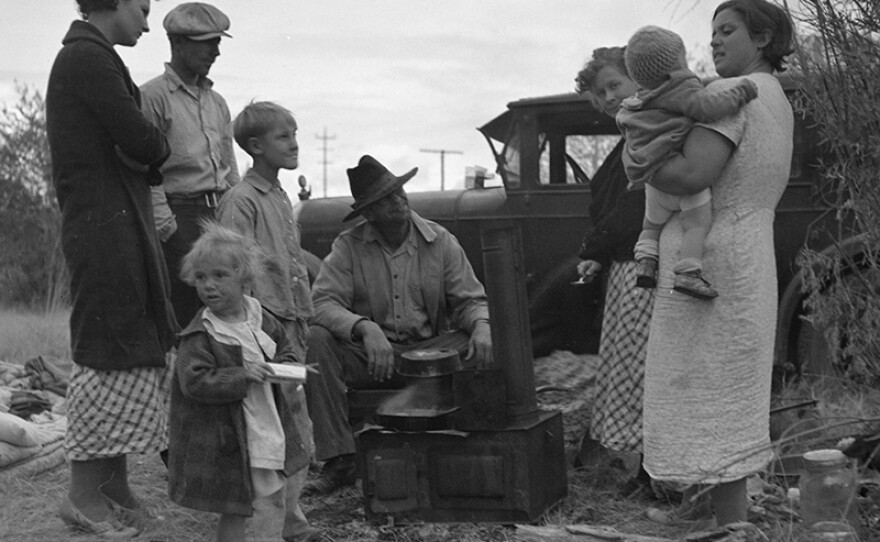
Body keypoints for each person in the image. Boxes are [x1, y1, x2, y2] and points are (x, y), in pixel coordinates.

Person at [641, 0, 796, 526]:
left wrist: (636, 158)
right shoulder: (777, 96)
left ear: (763, 36)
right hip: (747, 252)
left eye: (727, 30)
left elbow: (688, 177)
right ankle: (708, 512)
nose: (715, 42)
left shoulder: (728, 98)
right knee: (721, 389)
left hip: (713, 260)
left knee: (708, 390)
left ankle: (729, 526)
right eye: (712, 33)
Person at [46, 0, 176, 537]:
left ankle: (112, 485)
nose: (148, 23)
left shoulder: (98, 56)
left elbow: (141, 150)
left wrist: (142, 154)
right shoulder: (86, 59)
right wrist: (145, 151)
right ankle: (81, 495)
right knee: (105, 352)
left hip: (116, 223)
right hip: (103, 229)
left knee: (129, 343)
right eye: (142, 9)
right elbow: (148, 142)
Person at [303, 155, 493, 495]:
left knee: (480, 337)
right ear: (369, 212)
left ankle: (473, 445)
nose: (399, 200)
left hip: (429, 358)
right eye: (385, 198)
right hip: (373, 359)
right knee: (317, 340)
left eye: (399, 191)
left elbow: (469, 301)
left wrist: (481, 324)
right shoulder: (348, 246)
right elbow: (320, 303)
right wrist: (365, 328)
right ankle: (339, 460)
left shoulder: (440, 240)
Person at [168, 223, 319, 542]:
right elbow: (193, 382)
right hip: (232, 436)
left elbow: (286, 349)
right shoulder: (201, 334)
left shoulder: (260, 317)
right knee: (243, 506)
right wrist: (242, 375)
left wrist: (287, 370)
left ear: (244, 277)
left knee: (267, 499)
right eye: (201, 277)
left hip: (267, 425)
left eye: (220, 275)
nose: (209, 286)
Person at [216, 101, 319, 541]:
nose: (294, 143)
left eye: (295, 133)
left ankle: (291, 522)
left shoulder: (279, 195)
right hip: (265, 328)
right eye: (283, 136)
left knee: (296, 423)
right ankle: (265, 528)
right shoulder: (242, 201)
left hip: (293, 320)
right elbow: (233, 266)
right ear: (255, 147)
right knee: (270, 427)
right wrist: (255, 333)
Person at [617, 25, 758, 299]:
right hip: (683, 184)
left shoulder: (633, 103)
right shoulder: (679, 88)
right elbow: (707, 108)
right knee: (696, 226)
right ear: (675, 64)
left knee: (650, 227)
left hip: (653, 185)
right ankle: (688, 273)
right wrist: (742, 92)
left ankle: (645, 263)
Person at [573, 47, 655, 497]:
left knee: (647, 371)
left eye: (613, 86)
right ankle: (647, 470)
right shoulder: (627, 138)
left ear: (638, 78)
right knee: (634, 372)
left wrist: (595, 246)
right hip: (625, 270)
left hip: (648, 269)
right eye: (599, 94)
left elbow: (634, 207)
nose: (607, 98)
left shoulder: (653, 129)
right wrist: (599, 256)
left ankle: (655, 473)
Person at [141, 1, 240, 328]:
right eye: (208, 43)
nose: (216, 52)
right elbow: (145, 172)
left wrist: (235, 220)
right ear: (178, 43)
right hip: (178, 218)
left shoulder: (218, 102)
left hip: (218, 219)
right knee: (184, 318)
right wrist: (168, 230)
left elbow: (230, 167)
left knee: (226, 318)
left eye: (218, 43)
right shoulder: (152, 98)